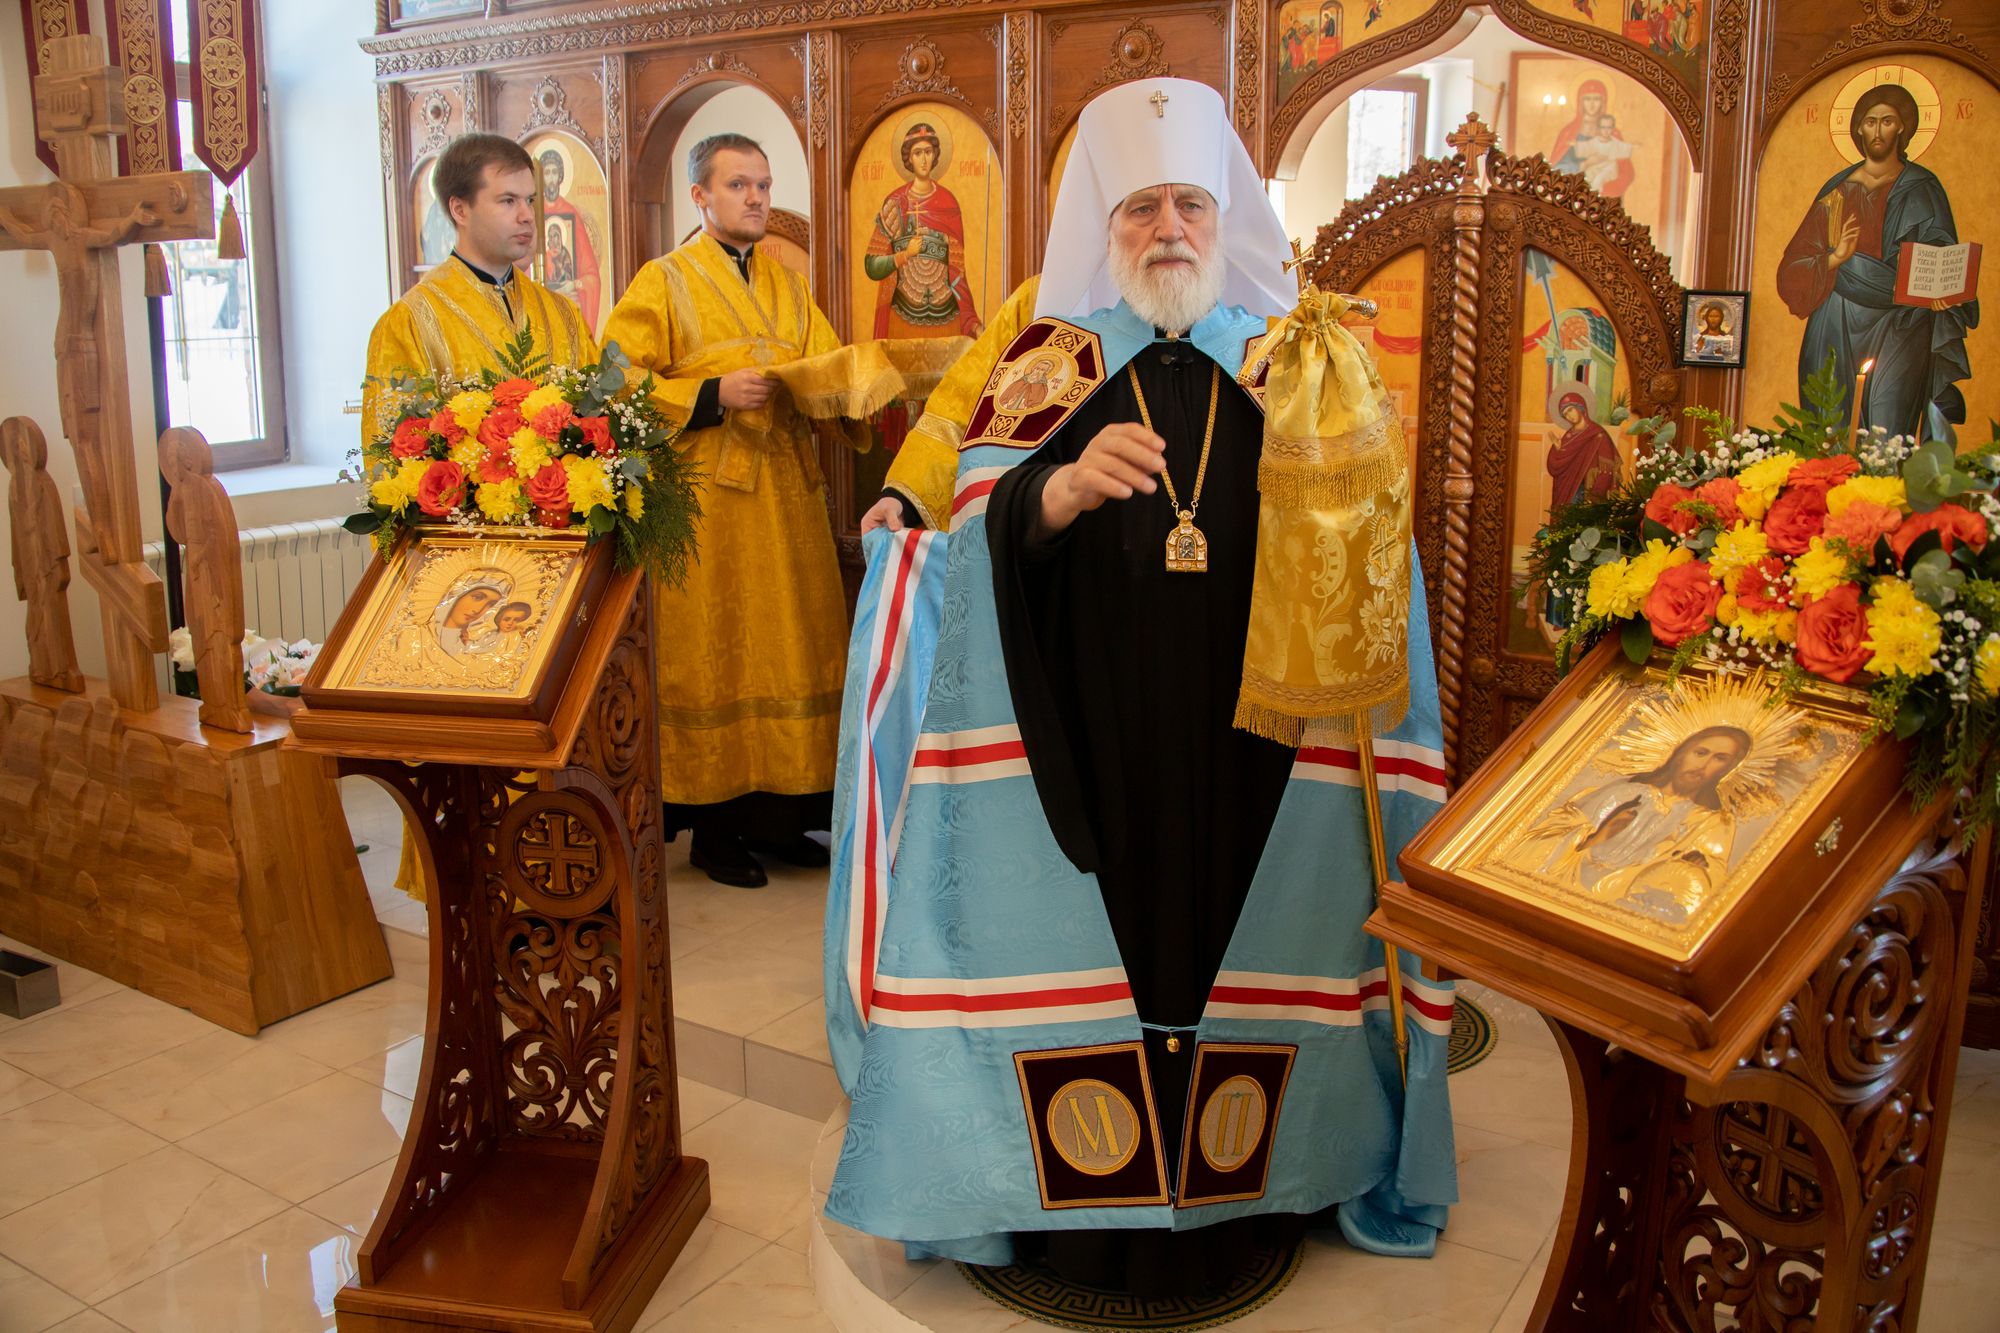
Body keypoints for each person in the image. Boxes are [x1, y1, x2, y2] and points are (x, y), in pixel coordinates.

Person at [826, 78, 1456, 1299]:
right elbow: (974, 546)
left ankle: (1239, 1192)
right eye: (1139, 208)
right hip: (1089, 740)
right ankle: (1086, 1207)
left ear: (1224, 220)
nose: (1166, 229)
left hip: (1257, 742)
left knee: (1234, 933)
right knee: (1112, 940)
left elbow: (1379, 557)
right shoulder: (1041, 367)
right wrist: (1049, 496)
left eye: (1187, 204)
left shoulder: (1297, 365)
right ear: (1100, 227)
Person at [600, 133, 848, 888]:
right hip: (707, 505)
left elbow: (827, 361)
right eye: (739, 185)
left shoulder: (784, 285)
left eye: (765, 186)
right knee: (723, 654)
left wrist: (854, 390)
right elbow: (610, 380)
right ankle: (717, 830)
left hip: (786, 496)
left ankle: (780, 821)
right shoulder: (662, 282)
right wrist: (710, 394)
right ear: (700, 197)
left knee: (792, 645)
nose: (757, 199)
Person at [362, 132, 598, 901]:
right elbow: (390, 466)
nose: (528, 216)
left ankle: (558, 889)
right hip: (468, 590)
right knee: (478, 764)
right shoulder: (412, 323)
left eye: (531, 199)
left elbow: (597, 424)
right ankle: (473, 888)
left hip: (559, 580)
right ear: (459, 209)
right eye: (508, 200)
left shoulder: (561, 316)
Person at [1776, 82, 1976, 440]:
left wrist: (1945, 295)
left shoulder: (1922, 187)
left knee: (1888, 431)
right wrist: (1835, 258)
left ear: (1902, 128)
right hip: (1837, 316)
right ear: (1857, 128)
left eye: (1887, 121)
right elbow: (1792, 267)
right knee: (1829, 432)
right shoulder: (1838, 190)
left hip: (1902, 321)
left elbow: (1943, 255)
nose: (1877, 130)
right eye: (1870, 121)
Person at [862, 122, 983, 339]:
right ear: (909, 158)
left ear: (936, 155)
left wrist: (971, 319)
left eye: (928, 152)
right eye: (918, 153)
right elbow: (871, 266)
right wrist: (904, 255)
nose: (924, 159)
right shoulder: (895, 203)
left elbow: (957, 271)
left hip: (947, 316)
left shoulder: (948, 202)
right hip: (902, 315)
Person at [537, 147, 603, 336]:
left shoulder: (571, 213)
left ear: (560, 176)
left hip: (570, 305)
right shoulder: (533, 216)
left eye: (554, 172)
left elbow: (591, 274)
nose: (550, 178)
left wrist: (574, 285)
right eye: (546, 173)